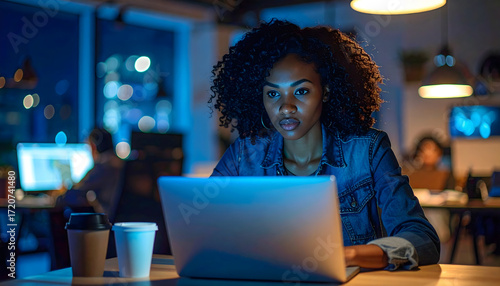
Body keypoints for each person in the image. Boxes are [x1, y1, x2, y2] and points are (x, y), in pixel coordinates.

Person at [208, 19, 440, 270]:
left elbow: (422, 238)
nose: (286, 107)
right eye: (273, 93)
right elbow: (202, 229)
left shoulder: (368, 151)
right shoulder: (243, 156)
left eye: (301, 91)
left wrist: (349, 256)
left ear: (326, 91)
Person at [57, 128, 123, 219]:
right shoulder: (122, 164)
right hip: (126, 225)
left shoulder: (102, 167)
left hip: (107, 225)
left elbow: (73, 194)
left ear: (93, 146)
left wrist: (58, 196)